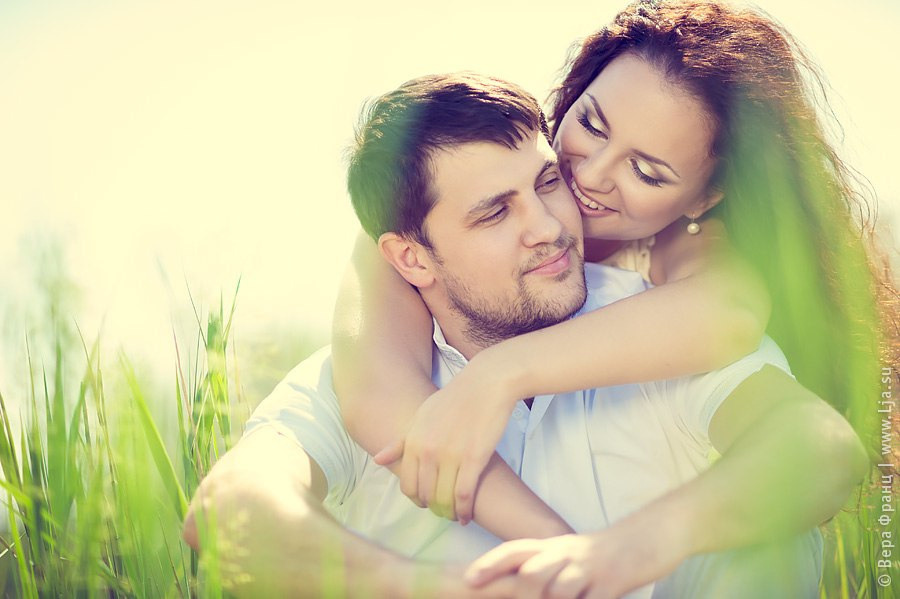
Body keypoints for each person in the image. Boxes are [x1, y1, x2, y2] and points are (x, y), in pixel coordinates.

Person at [184, 71, 868, 598]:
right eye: (494, 214)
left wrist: (614, 555)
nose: (546, 224)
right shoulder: (364, 369)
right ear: (409, 258)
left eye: (547, 183)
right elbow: (227, 514)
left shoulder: (660, 326)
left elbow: (819, 448)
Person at [331, 0, 895, 540]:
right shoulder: (450, 203)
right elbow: (377, 393)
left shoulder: (694, 247)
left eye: (647, 172)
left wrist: (500, 371)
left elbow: (726, 316)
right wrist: (556, 551)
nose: (591, 176)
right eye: (593, 125)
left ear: (706, 197)